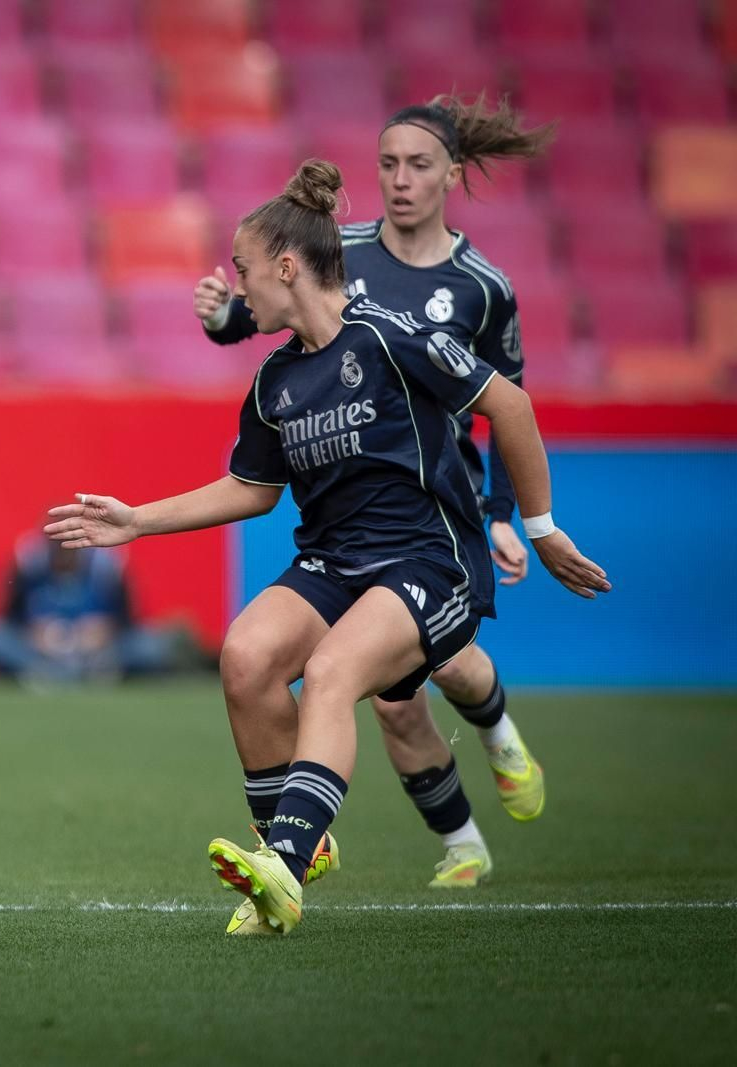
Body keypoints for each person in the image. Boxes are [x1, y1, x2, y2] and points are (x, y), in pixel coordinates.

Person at [47, 160, 609, 936]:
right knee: (245, 656)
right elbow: (252, 488)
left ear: (286, 267)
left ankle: (283, 865)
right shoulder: (275, 379)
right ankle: (295, 849)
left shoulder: (392, 337)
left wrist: (539, 529)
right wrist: (136, 520)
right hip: (334, 564)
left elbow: (509, 404)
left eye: (243, 269)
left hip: (428, 561)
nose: (239, 289)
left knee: (333, 672)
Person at [194, 94, 553, 889]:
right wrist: (224, 322)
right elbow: (279, 311)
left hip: (438, 497)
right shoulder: (340, 251)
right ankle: (461, 843)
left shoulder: (483, 286)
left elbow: (508, 401)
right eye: (388, 163)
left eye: (418, 165)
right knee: (387, 698)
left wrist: (506, 515)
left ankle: (497, 733)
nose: (399, 179)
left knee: (447, 670)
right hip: (352, 515)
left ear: (451, 176)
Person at [0, 532, 183, 685]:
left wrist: (106, 630)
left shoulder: (107, 566)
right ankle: (46, 672)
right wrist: (33, 633)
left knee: (153, 645)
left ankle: (93, 671)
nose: (64, 553)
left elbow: (129, 620)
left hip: (98, 652)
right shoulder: (29, 566)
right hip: (44, 653)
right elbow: (9, 618)